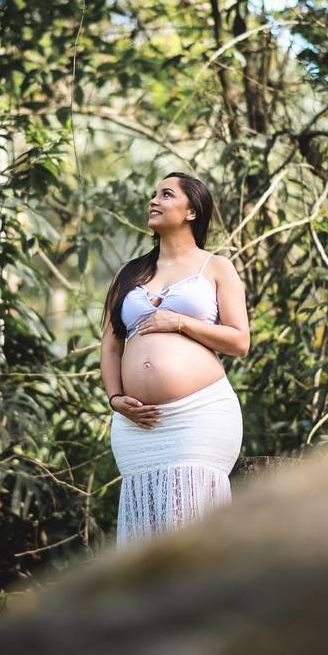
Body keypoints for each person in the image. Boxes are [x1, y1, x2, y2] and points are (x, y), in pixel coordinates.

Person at [99, 172, 251, 547]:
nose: (154, 200)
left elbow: (239, 341)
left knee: (187, 519)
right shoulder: (128, 274)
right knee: (146, 530)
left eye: (166, 195)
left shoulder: (216, 267)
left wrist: (179, 321)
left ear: (191, 212)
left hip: (199, 416)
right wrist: (116, 400)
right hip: (137, 424)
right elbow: (110, 346)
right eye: (154, 194)